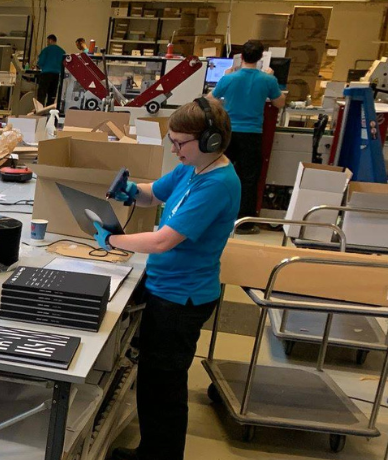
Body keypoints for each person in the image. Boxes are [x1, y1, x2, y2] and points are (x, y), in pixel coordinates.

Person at [101, 98, 241, 460]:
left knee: (164, 387)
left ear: (210, 140)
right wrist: (132, 191)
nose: (174, 150)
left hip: (183, 298)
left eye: (180, 143)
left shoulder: (217, 184)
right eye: (172, 141)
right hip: (166, 287)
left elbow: (163, 241)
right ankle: (152, 450)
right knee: (153, 380)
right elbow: (154, 194)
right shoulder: (192, 167)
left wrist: (113, 240)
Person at [209, 40, 285, 234]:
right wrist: (272, 77)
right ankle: (245, 223)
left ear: (241, 57)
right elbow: (279, 103)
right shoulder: (267, 80)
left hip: (229, 133)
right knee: (249, 179)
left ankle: (214, 216)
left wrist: (225, 83)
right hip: (252, 134)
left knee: (219, 173)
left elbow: (211, 100)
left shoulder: (229, 78)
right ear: (260, 58)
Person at [35, 34, 65, 106]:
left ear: (50, 40)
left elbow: (40, 62)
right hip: (56, 75)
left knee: (42, 93)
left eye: (47, 41)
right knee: (52, 94)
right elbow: (63, 64)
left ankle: (40, 108)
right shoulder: (62, 51)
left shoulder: (46, 50)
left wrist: (38, 66)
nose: (47, 43)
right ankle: (49, 109)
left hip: (46, 74)